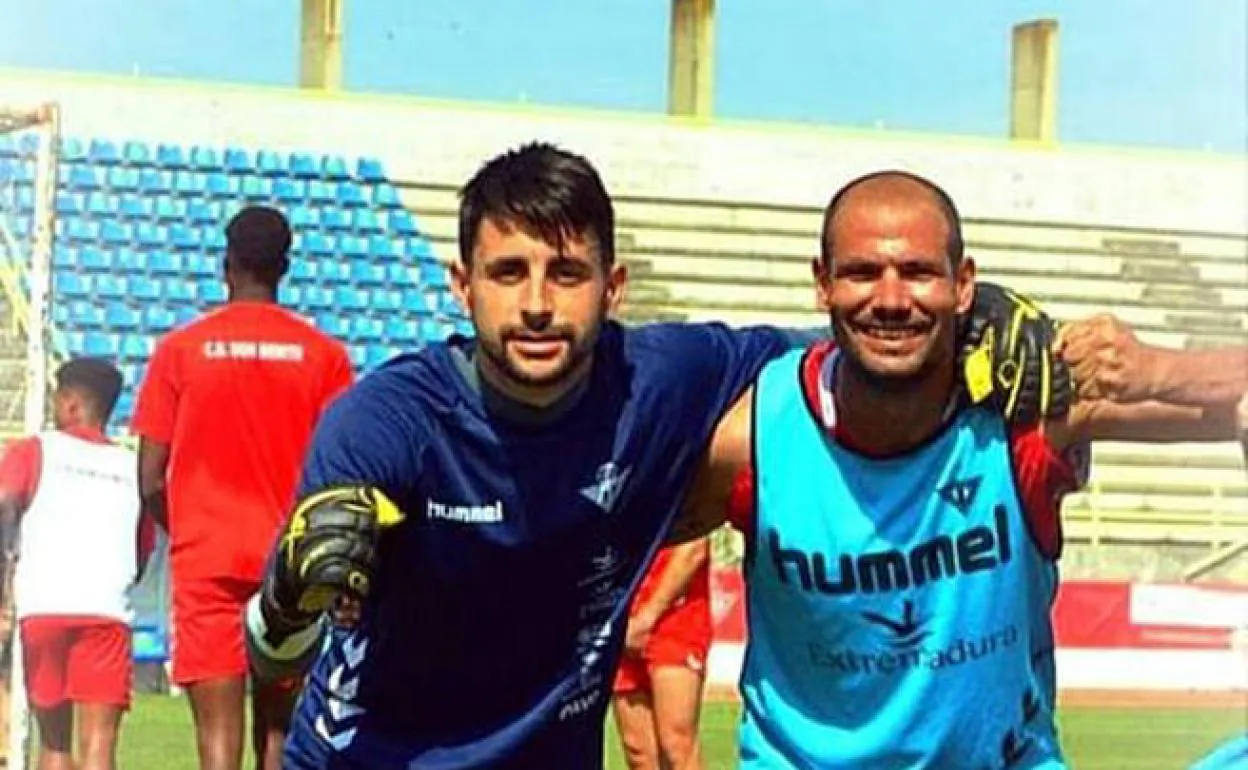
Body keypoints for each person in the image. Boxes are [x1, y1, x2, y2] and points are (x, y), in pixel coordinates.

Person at [241, 143, 1068, 770]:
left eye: (567, 272)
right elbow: (275, 657)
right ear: (463, 286)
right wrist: (286, 595)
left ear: (615, 284)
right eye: (508, 272)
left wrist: (974, 320)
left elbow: (856, 347)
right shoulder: (385, 422)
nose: (536, 303)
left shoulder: (668, 379)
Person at [670, 170, 1243, 768]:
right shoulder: (756, 436)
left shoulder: (1026, 413)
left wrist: (1154, 371)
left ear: (964, 284)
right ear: (822, 284)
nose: (891, 300)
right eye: (862, 272)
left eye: (918, 272)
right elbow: (607, 542)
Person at [132, 206, 354, 770]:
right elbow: (340, 471)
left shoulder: (179, 351)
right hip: (288, 561)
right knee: (279, 734)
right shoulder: (325, 357)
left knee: (216, 737)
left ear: (226, 263)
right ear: (285, 267)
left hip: (205, 557)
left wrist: (189, 530)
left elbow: (150, 476)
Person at [0, 358, 152, 770]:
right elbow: (142, 549)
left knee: (54, 740)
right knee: (100, 742)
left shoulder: (35, 449)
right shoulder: (132, 466)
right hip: (105, 608)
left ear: (69, 403)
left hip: (44, 605)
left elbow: (5, 509)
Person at [611, 537, 711, 770]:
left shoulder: (682, 499)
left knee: (676, 743)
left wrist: (647, 617)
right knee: (638, 751)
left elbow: (694, 549)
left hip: (677, 615)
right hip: (624, 613)